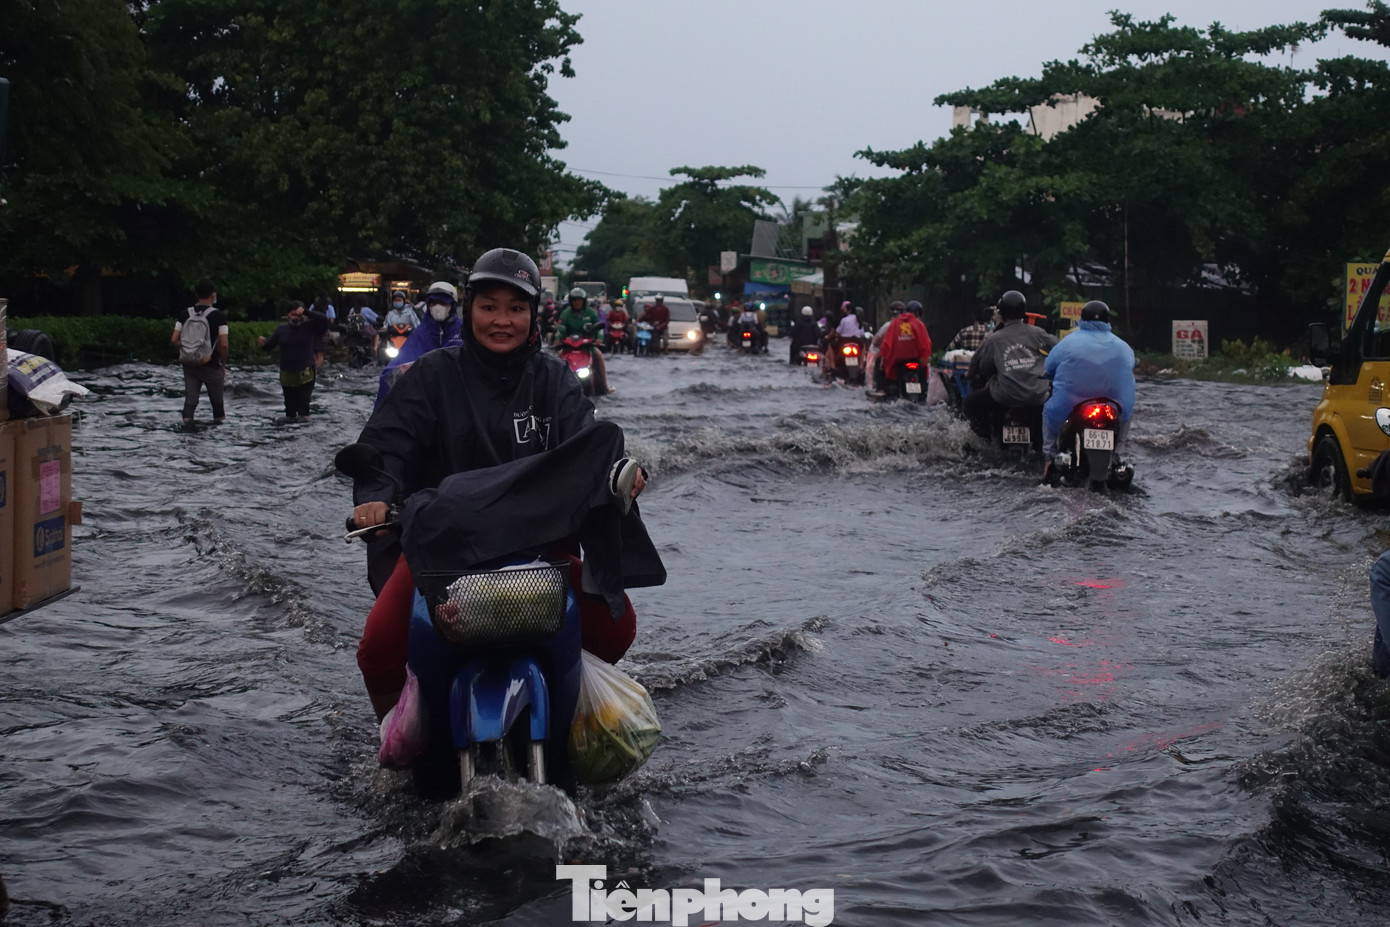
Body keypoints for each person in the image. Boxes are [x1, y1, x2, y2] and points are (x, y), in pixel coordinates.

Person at [348, 247, 665, 719]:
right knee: (378, 649)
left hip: (537, 550)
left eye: (516, 308)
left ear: (533, 315)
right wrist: (376, 498)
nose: (502, 320)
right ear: (469, 309)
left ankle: (565, 707)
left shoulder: (554, 377)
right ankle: (394, 741)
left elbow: (587, 442)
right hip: (440, 551)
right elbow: (388, 450)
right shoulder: (431, 376)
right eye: (489, 307)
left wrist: (621, 472)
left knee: (616, 628)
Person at [1042, 299, 1136, 458]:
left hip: (1071, 402)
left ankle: (1048, 457)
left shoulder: (1068, 342)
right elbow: (1130, 365)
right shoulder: (1123, 346)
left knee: (1047, 412)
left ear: (1082, 319)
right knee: (1127, 415)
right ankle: (1119, 453)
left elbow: (1049, 367)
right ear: (1108, 320)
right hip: (1114, 404)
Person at [963, 290, 1057, 439]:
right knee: (1047, 415)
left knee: (970, 404)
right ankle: (1042, 447)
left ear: (1001, 313)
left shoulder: (995, 338)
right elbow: (1056, 353)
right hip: (1036, 395)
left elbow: (985, 368)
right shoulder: (1038, 334)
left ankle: (984, 441)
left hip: (1004, 396)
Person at [375, 281, 464, 407]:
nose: (438, 307)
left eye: (443, 303)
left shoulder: (463, 331)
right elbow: (394, 370)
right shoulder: (421, 332)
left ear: (452, 306)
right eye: (434, 303)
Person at [171, 278, 229, 426]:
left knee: (190, 401)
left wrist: (186, 351)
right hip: (212, 364)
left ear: (196, 294)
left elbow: (174, 339)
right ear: (213, 295)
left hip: (189, 364)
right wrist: (222, 364)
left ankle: (187, 428)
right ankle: (218, 435)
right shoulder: (219, 316)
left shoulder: (185, 314)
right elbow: (224, 345)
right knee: (217, 404)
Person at [258, 301, 330, 420]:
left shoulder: (309, 326)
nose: (295, 318)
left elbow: (323, 320)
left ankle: (303, 430)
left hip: (306, 371)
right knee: (290, 409)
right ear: (288, 315)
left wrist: (306, 311)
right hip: (287, 373)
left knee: (303, 405)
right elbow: (269, 346)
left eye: (298, 315)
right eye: (293, 315)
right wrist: (263, 344)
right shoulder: (281, 330)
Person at [553, 287, 612, 394]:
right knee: (557, 358)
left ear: (584, 301)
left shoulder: (591, 313)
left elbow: (598, 328)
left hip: (587, 345)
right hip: (569, 346)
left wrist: (599, 339)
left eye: (579, 300)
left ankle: (605, 384)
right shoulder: (566, 313)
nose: (577, 302)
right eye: (574, 300)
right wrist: (557, 339)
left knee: (599, 355)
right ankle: (553, 387)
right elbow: (560, 328)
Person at [878, 300, 933, 390]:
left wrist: (883, 359)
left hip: (899, 361)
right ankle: (923, 393)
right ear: (918, 313)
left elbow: (886, 343)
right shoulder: (919, 324)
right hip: (917, 360)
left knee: (890, 379)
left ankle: (885, 390)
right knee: (924, 377)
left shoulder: (895, 323)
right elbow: (926, 343)